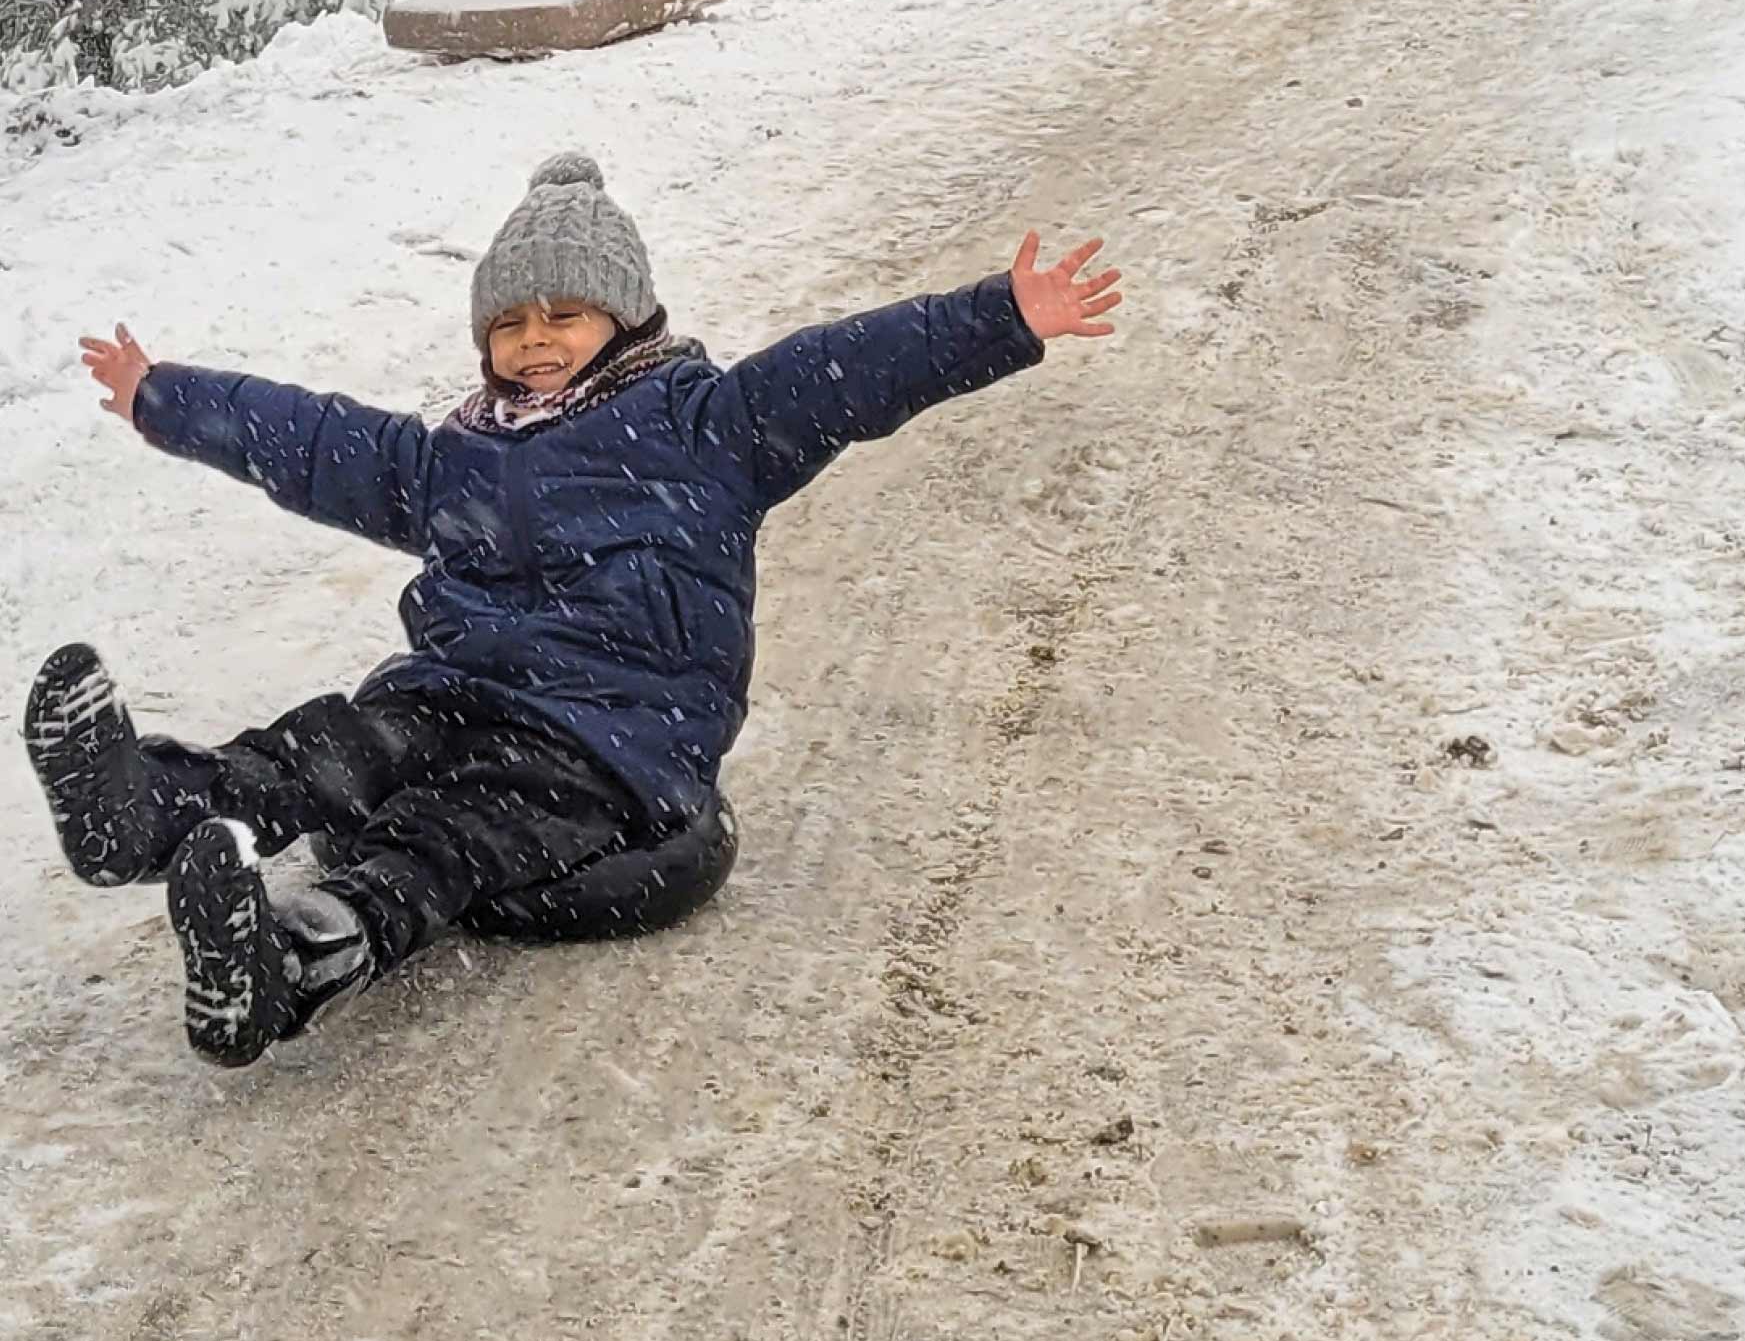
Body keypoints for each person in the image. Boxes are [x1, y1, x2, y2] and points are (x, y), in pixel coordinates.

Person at [24, 151, 1122, 1069]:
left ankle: (293, 959)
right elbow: (313, 441)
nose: (535, 338)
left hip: (609, 736)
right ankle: (148, 810)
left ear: (627, 318)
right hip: (454, 694)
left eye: (564, 313)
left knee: (447, 833)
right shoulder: (451, 455)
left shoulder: (712, 425)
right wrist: (165, 397)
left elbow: (849, 368)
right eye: (509, 322)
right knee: (337, 741)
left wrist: (1001, 318)